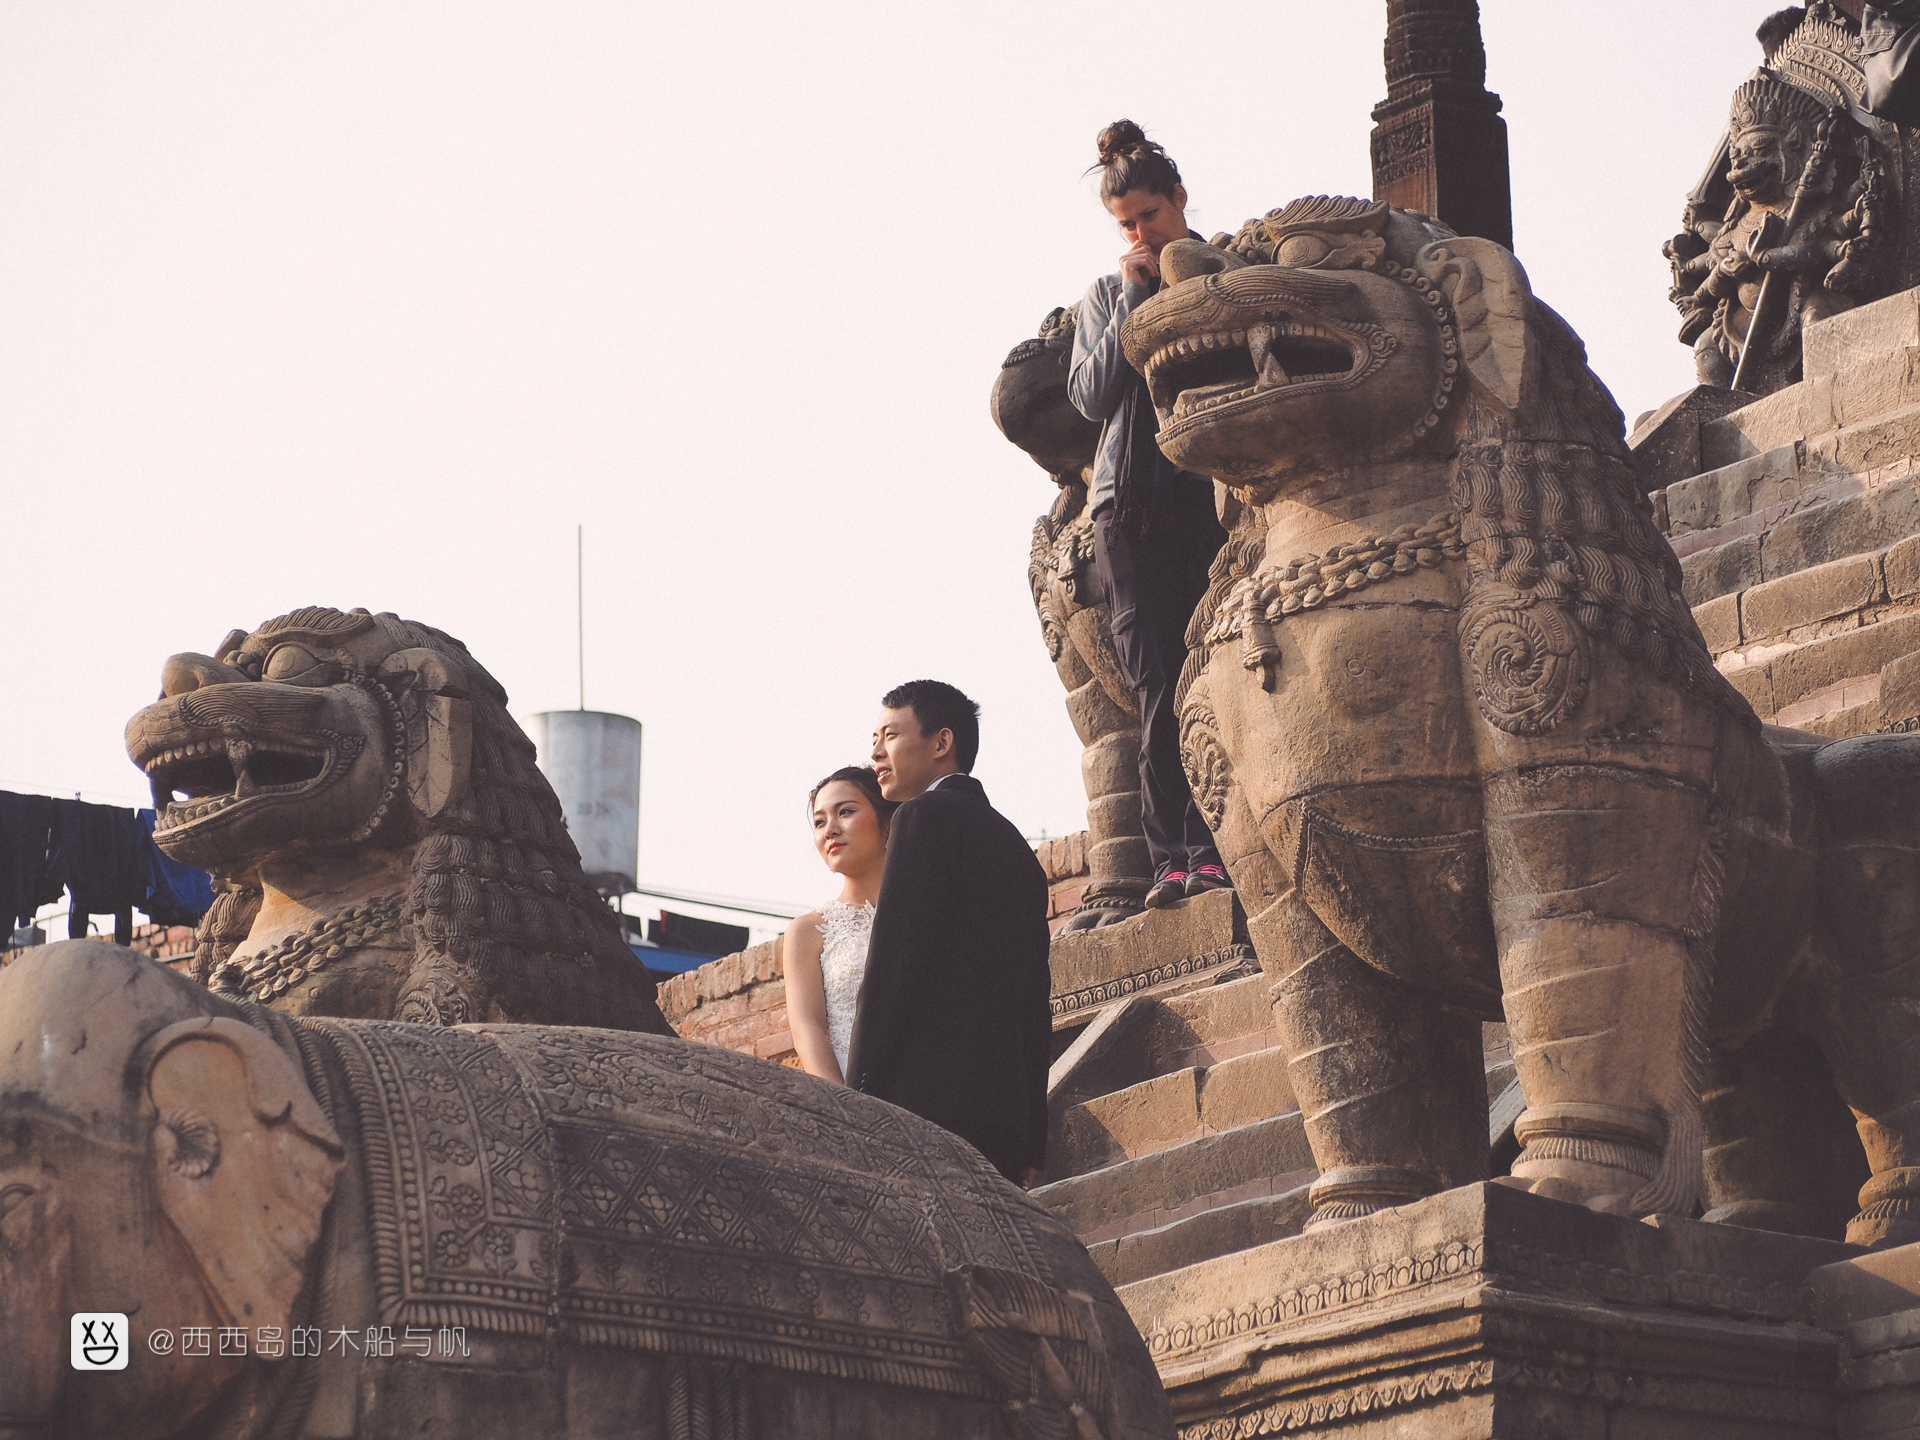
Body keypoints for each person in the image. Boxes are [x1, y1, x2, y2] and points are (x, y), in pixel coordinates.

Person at [1069, 119, 1230, 909]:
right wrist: (1135, 299)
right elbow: (1090, 396)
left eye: (1150, 217)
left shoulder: (1219, 270)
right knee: (1155, 683)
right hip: (1126, 512)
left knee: (1215, 670)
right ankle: (1177, 857)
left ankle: (1223, 844)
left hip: (1209, 493)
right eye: (1125, 224)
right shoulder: (1105, 296)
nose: (1139, 232)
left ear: (1180, 200)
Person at [845, 680, 1052, 1186]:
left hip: (922, 1108)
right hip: (1001, 1119)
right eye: (874, 737)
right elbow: (1034, 998)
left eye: (890, 735)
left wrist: (858, 1091)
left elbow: (894, 966)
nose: (875, 751)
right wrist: (1031, 1138)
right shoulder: (1018, 850)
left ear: (942, 743)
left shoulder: (920, 818)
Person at [782, 766, 897, 1084]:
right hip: (851, 1106)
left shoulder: (928, 912)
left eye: (845, 812)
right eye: (819, 821)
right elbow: (809, 1032)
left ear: (887, 822)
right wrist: (847, 1117)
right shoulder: (807, 932)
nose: (829, 829)